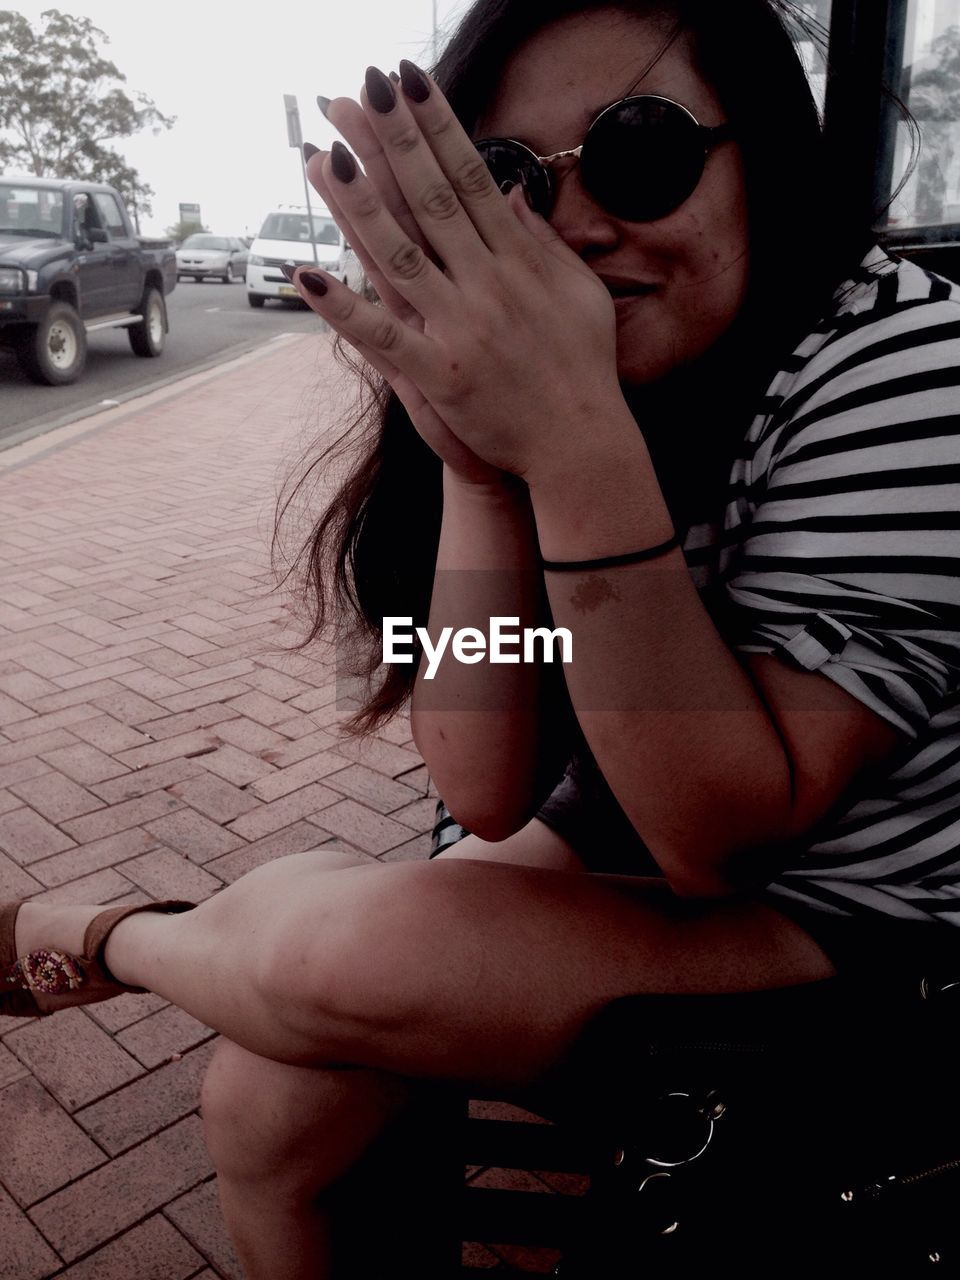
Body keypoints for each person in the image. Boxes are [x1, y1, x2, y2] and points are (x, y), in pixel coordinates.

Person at [4, 2, 960, 1275]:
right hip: (622, 854)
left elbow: (725, 829)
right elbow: (485, 786)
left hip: (871, 932)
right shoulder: (542, 377)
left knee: (339, 946)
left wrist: (569, 441)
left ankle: (106, 937)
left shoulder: (904, 359)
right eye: (504, 180)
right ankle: (204, 930)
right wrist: (485, 471)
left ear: (765, 164)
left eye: (639, 150)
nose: (565, 228)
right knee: (268, 1103)